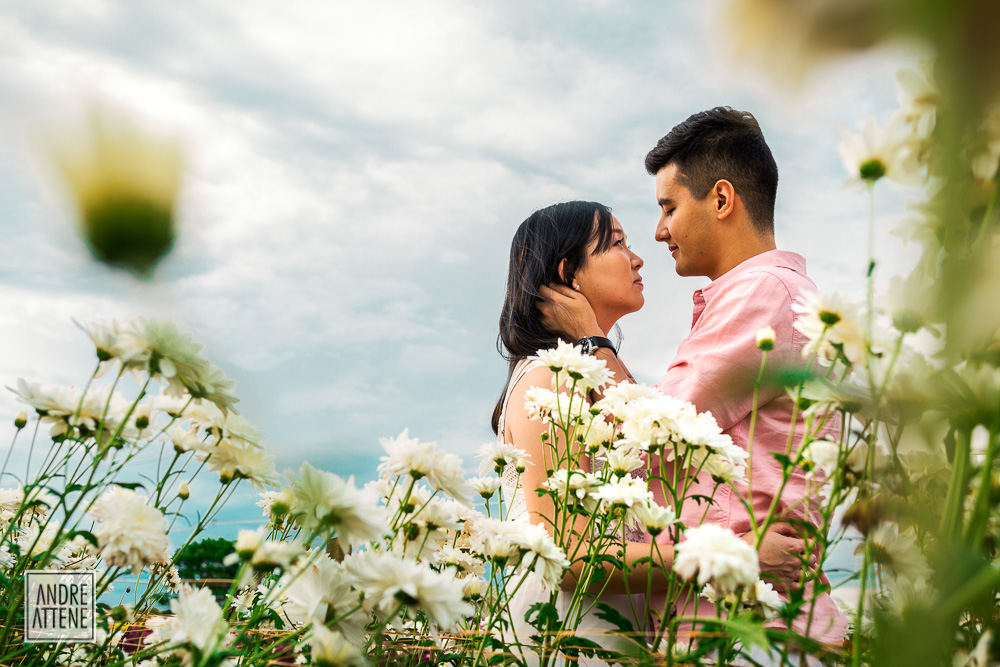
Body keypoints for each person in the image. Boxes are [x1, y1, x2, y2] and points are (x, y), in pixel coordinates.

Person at [538, 108, 848, 650]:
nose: (660, 232)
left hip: (748, 625)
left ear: (722, 199)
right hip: (729, 618)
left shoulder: (762, 295)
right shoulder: (759, 297)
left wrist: (591, 338)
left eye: (669, 207)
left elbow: (658, 430)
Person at [494, 199, 812, 665]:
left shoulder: (594, 378)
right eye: (618, 244)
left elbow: (656, 427)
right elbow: (569, 554)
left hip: (618, 625)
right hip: (571, 632)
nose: (638, 258)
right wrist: (733, 555)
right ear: (568, 272)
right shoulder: (552, 379)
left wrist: (594, 341)